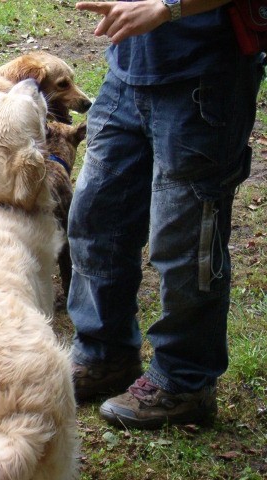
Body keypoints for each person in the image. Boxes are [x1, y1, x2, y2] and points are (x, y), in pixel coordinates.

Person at [67, 0, 264, 429]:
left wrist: (167, 7)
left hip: (203, 73)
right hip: (127, 70)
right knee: (96, 218)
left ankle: (184, 381)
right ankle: (105, 354)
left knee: (185, 239)